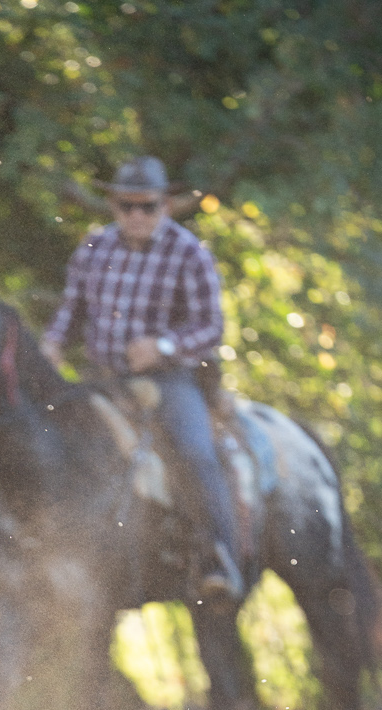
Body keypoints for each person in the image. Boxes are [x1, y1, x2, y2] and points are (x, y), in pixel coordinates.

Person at [42, 156, 243, 604]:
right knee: (48, 438)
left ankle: (219, 555)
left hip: (169, 381)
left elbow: (211, 327)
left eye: (147, 206)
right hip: (101, 379)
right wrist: (53, 343)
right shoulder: (93, 248)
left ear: (165, 206)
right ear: (113, 206)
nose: (136, 215)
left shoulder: (189, 252)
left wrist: (163, 346)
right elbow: (70, 312)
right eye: (126, 206)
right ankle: (52, 549)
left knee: (195, 451)